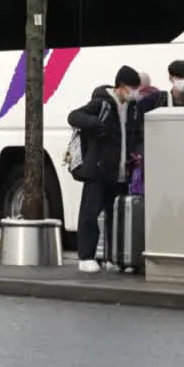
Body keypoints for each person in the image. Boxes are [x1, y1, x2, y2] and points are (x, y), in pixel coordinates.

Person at [67, 66, 143, 273]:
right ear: (120, 87)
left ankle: (114, 257)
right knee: (90, 213)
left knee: (115, 216)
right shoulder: (102, 103)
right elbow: (73, 117)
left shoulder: (132, 107)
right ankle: (86, 256)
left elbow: (135, 134)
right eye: (131, 88)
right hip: (99, 169)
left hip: (120, 171)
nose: (134, 92)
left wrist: (136, 153)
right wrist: (96, 124)